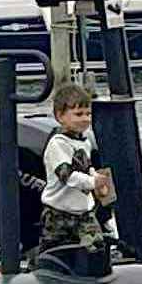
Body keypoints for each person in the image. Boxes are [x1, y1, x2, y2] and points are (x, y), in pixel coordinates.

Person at [38, 81, 113, 253]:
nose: (85, 119)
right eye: (78, 114)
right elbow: (68, 176)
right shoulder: (58, 144)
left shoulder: (84, 141)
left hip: (84, 212)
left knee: (97, 248)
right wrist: (93, 182)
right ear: (60, 116)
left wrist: (98, 180)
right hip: (58, 213)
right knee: (53, 252)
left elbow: (86, 167)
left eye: (88, 114)